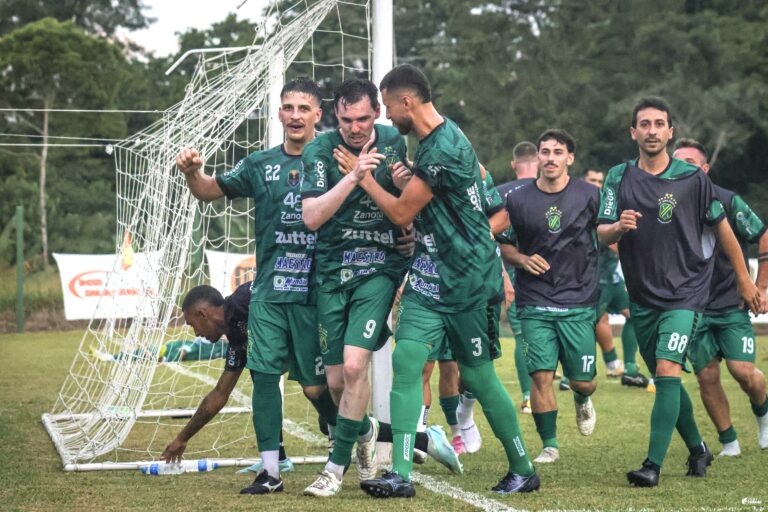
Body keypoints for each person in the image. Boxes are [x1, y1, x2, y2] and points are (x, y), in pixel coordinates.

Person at [353, 64, 538, 497]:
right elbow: (436, 197)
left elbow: (401, 214)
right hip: (430, 274)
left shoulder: (442, 148)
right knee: (406, 362)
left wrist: (363, 179)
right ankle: (400, 473)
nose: (385, 118)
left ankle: (523, 466)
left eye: (385, 107)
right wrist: (408, 179)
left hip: (468, 278)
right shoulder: (438, 141)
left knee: (477, 376)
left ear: (406, 102)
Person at [175, 77, 340, 495]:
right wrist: (194, 172)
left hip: (315, 293)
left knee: (315, 387)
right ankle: (270, 472)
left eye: (304, 108)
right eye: (288, 108)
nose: (296, 115)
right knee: (264, 378)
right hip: (268, 293)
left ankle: (348, 431)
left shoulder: (335, 160)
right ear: (279, 114)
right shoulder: (260, 164)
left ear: (319, 115)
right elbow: (209, 191)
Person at [597, 96, 762, 487]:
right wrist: (617, 228)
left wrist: (745, 279)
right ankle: (698, 448)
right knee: (663, 374)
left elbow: (724, 230)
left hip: (686, 294)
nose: (652, 130)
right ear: (632, 131)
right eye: (644, 124)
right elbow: (601, 232)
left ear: (670, 131)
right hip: (643, 296)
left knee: (668, 369)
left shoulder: (693, 178)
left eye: (659, 124)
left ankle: (652, 465)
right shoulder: (618, 176)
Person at [299, 78, 412, 497]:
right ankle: (364, 433)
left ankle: (334, 467)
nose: (355, 127)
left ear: (377, 114)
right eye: (346, 119)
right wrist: (355, 177)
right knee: (334, 382)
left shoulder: (396, 142)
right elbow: (311, 217)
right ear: (335, 116)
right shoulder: (319, 150)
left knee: (352, 366)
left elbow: (411, 200)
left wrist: (410, 222)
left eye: (363, 118)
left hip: (379, 267)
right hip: (331, 273)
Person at [502, 129, 599, 465]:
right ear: (538, 157)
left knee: (583, 382)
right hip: (535, 300)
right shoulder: (516, 199)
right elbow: (503, 242)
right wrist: (521, 259)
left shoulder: (590, 194)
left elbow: (606, 231)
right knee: (541, 376)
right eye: (545, 152)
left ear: (570, 158)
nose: (551, 158)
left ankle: (582, 398)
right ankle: (550, 444)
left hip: (578, 300)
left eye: (558, 152)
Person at [672, 138, 768, 456]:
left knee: (743, 371)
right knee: (706, 375)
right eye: (677, 161)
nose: (682, 167)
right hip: (690, 307)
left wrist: (760, 286)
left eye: (689, 161)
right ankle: (729, 441)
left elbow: (763, 236)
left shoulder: (727, 201)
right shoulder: (663, 205)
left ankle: (763, 415)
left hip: (730, 304)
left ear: (704, 168)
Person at [160, 283, 293, 474]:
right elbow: (219, 395)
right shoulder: (237, 339)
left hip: (308, 333)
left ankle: (335, 455)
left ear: (203, 314)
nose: (196, 333)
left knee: (316, 390)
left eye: (192, 325)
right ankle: (277, 458)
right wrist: (182, 438)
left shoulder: (243, 300)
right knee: (260, 375)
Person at [583, 168, 650, 389]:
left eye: (599, 181)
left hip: (611, 277)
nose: (597, 185)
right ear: (583, 181)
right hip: (592, 276)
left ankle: (628, 368)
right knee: (585, 323)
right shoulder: (582, 202)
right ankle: (570, 376)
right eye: (592, 180)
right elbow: (609, 240)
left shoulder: (607, 202)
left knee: (632, 313)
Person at [490, 142, 537, 413]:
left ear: (513, 164)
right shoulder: (550, 190)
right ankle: (571, 381)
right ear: (539, 162)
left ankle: (529, 395)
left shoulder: (498, 194)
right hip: (551, 273)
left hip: (510, 271)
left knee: (522, 335)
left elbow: (490, 240)